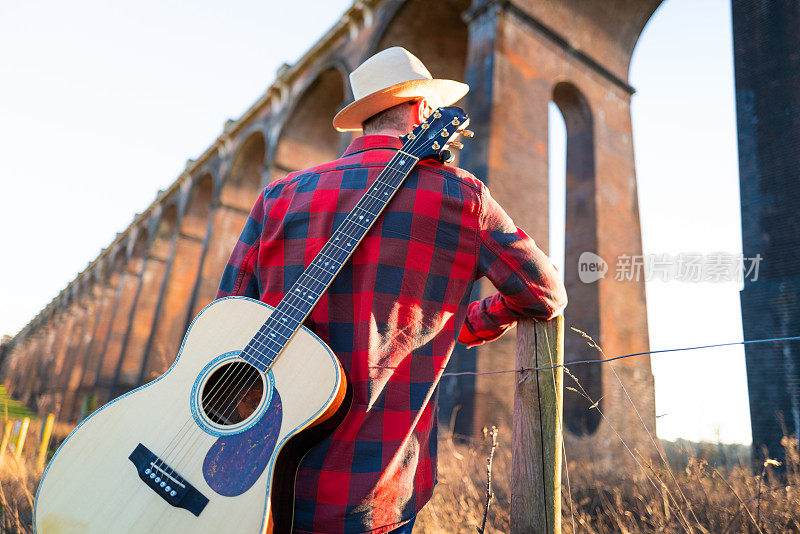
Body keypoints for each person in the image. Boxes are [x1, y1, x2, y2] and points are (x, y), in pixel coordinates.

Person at [216, 47, 567, 534]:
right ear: (424, 111)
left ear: (364, 120)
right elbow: (545, 292)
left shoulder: (277, 196)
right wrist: (456, 326)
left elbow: (226, 319)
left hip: (241, 481)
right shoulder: (462, 197)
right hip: (371, 488)